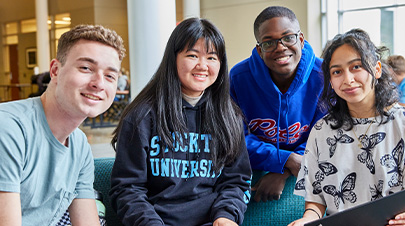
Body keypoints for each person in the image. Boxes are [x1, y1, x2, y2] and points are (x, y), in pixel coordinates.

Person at [109, 18, 252, 226]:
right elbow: (127, 188)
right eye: (192, 55)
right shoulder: (141, 116)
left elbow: (237, 182)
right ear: (173, 59)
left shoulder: (229, 116)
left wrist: (226, 217)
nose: (202, 66)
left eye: (212, 57)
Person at [289, 28, 405, 226]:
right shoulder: (321, 131)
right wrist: (306, 220)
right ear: (330, 81)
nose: (348, 79)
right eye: (337, 72)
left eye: (356, 67)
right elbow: (315, 203)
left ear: (376, 69)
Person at [0, 24, 125, 225]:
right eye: (86, 68)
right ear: (55, 70)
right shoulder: (9, 128)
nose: (99, 83)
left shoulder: (79, 144)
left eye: (110, 76)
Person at [229, 6, 326, 202]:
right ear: (259, 48)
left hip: (306, 169)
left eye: (288, 37)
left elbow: (325, 136)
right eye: (269, 42)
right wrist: (284, 159)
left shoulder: (324, 75)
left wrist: (284, 170)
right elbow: (234, 139)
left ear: (300, 39)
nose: (280, 47)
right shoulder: (238, 78)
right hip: (252, 173)